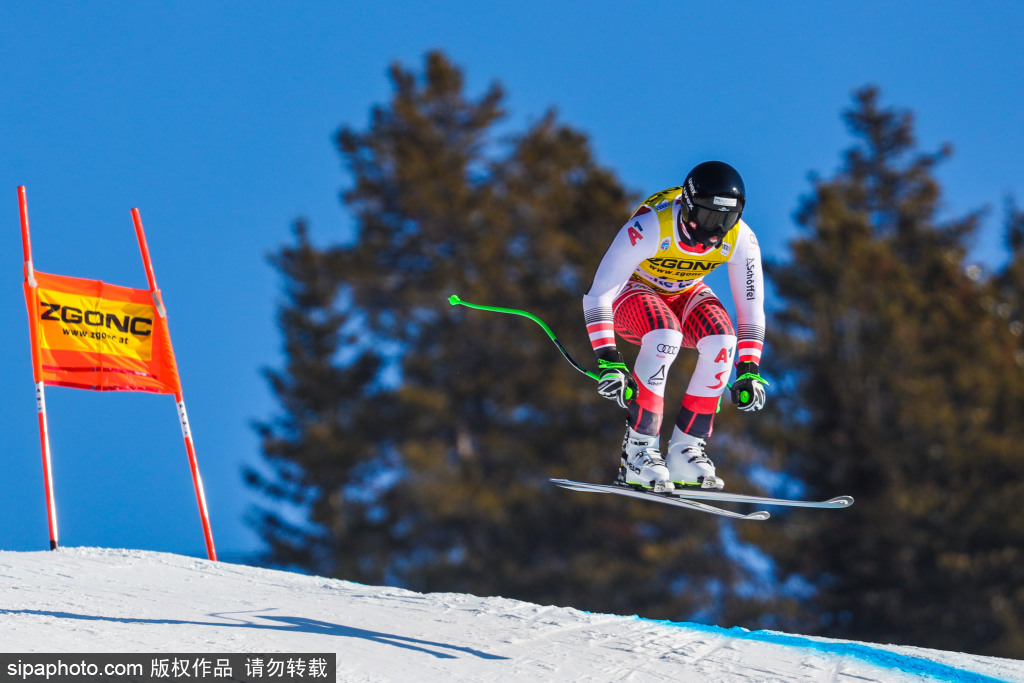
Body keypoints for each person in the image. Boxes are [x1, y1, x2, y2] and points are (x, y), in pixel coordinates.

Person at [583, 160, 767, 493]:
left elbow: (751, 312)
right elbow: (598, 296)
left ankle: (686, 450)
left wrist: (749, 370)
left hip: (685, 290)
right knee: (665, 335)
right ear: (687, 206)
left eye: (725, 220)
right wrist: (608, 359)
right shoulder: (652, 227)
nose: (714, 230)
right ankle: (639, 452)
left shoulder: (742, 239)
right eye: (709, 217)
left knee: (723, 341)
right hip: (634, 291)